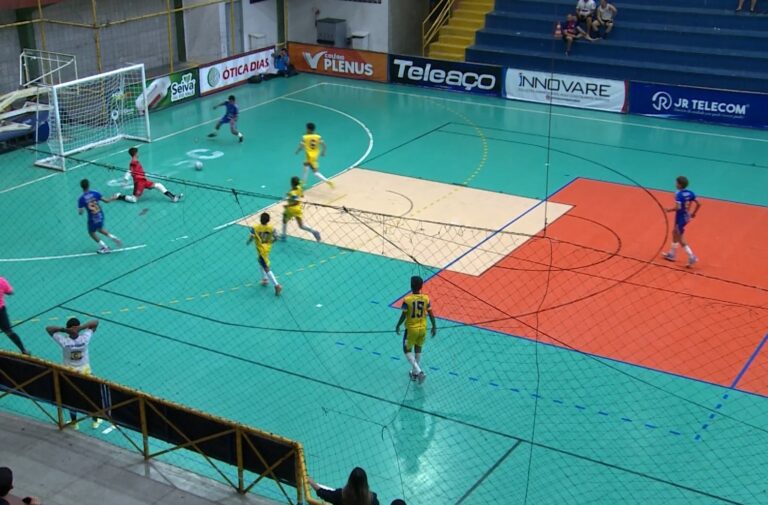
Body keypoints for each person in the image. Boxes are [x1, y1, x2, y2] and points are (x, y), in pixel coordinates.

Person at [46, 318, 103, 430]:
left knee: (72, 398)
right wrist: (80, 329)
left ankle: (74, 422)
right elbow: (95, 322)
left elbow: (48, 329)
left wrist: (65, 330)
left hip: (69, 374)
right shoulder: (85, 338)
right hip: (85, 373)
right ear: (78, 327)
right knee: (90, 396)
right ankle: (95, 420)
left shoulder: (64, 341)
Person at [395, 275, 437, 384]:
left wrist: (398, 325)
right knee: (418, 349)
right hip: (423, 328)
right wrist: (434, 326)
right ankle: (414, 373)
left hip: (411, 330)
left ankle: (419, 372)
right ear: (421, 286)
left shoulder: (407, 300)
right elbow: (431, 313)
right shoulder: (426, 298)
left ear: (411, 286)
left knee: (406, 350)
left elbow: (404, 315)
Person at [114, 147, 182, 204]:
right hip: (139, 183)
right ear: (135, 154)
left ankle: (173, 197)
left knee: (158, 185)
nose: (138, 154)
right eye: (137, 152)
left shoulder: (135, 161)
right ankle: (119, 196)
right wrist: (126, 179)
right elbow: (129, 170)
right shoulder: (133, 162)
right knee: (134, 200)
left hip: (143, 181)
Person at [662, 176, 701, 268]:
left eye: (676, 183)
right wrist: (693, 213)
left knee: (680, 238)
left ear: (679, 185)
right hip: (686, 216)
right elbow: (699, 204)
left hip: (680, 217)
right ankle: (672, 254)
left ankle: (692, 256)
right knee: (674, 232)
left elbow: (678, 208)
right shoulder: (690, 193)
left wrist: (669, 210)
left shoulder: (679, 195)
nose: (675, 184)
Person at [78, 179, 122, 254]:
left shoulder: (81, 199)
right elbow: (107, 201)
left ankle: (105, 247)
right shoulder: (95, 193)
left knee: (91, 233)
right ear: (89, 185)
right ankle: (113, 237)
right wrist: (113, 197)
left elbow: (80, 212)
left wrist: (81, 209)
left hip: (92, 218)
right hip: (100, 215)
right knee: (100, 229)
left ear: (81, 187)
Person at [246, 212, 282, 296]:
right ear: (268, 220)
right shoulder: (272, 228)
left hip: (260, 249)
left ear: (260, 219)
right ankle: (265, 279)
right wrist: (271, 242)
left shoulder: (255, 227)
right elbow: (277, 237)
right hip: (267, 248)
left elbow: (251, 237)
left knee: (266, 267)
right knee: (261, 262)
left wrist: (248, 242)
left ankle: (277, 285)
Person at [308, 467, 380, 505]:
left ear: (350, 481)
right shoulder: (373, 500)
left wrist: (312, 483)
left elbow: (324, 493)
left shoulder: (340, 496)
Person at [282, 176, 322, 242]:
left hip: (291, 209)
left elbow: (296, 202)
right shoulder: (299, 188)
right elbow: (302, 196)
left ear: (292, 183)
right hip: (298, 209)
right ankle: (314, 231)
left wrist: (287, 205)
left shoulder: (292, 193)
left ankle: (283, 236)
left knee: (284, 220)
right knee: (301, 226)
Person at [295, 122, 333, 188]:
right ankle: (303, 183)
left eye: (307, 129)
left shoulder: (305, 137)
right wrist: (323, 152)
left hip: (309, 156)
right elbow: (324, 145)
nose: (306, 130)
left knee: (315, 172)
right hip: (315, 156)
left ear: (309, 129)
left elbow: (301, 146)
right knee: (306, 167)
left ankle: (327, 181)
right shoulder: (318, 137)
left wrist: (297, 151)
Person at [0, 277, 29, 355]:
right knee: (9, 332)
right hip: (1, 312)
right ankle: (23, 350)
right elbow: (10, 292)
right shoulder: (1, 280)